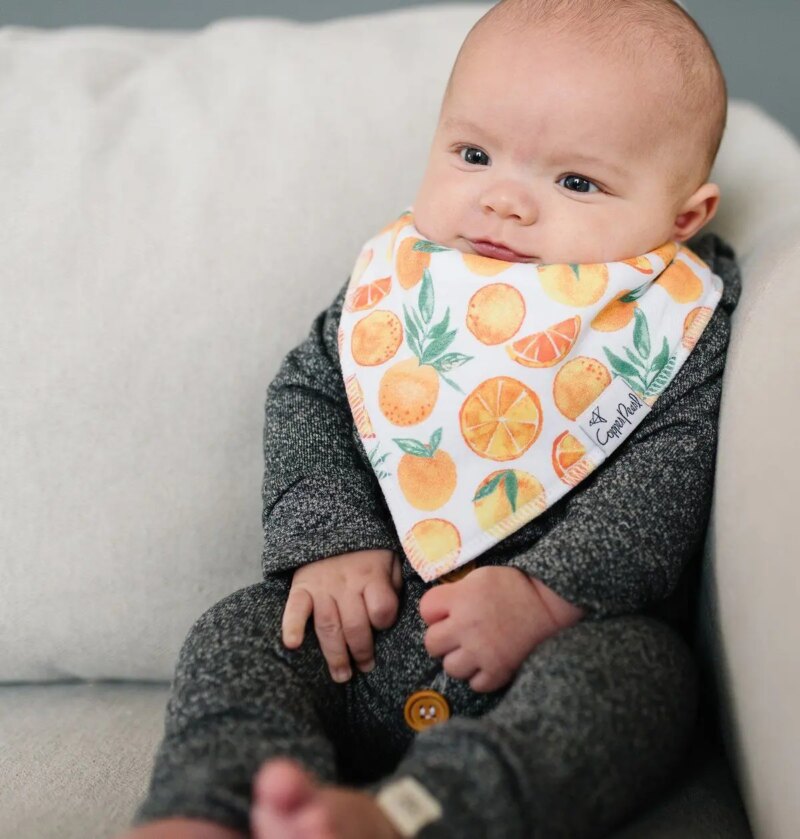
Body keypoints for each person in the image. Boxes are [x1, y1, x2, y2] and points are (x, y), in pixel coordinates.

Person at [122, 0, 741, 836]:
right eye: (475, 154)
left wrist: (546, 594)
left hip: (548, 649)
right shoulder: (402, 286)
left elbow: (671, 475)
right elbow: (312, 396)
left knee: (644, 679)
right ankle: (214, 804)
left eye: (575, 181)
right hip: (362, 626)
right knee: (241, 634)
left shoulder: (670, 324)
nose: (504, 201)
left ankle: (410, 817)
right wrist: (332, 540)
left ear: (684, 217)